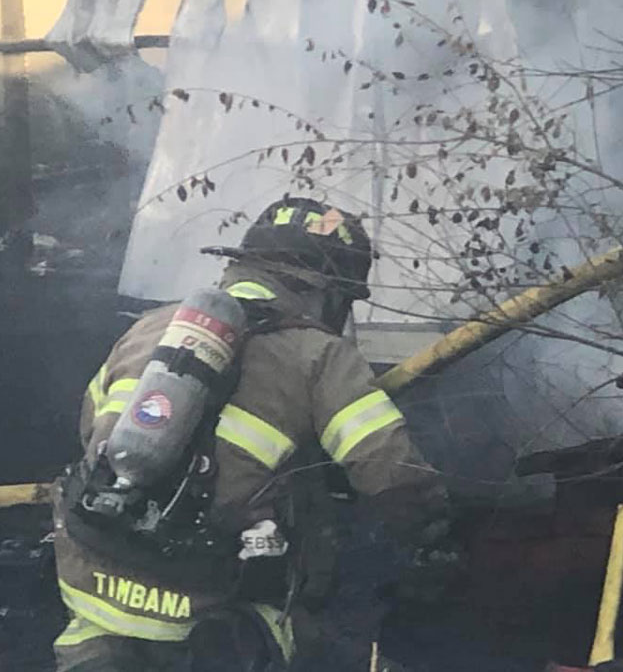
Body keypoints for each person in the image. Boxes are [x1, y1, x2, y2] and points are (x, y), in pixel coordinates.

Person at [50, 198, 454, 671]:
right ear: (328, 293)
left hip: (91, 583)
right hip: (212, 607)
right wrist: (437, 536)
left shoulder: (148, 329)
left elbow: (89, 432)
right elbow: (391, 473)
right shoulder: (319, 355)